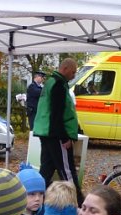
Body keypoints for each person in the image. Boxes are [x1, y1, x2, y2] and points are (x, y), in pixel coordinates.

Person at [33, 58, 84, 205]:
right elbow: (57, 114)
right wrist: (64, 137)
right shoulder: (58, 85)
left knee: (46, 170)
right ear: (65, 69)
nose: (74, 75)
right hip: (56, 135)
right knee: (67, 171)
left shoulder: (49, 83)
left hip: (46, 133)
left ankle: (36, 201)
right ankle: (78, 204)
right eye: (73, 72)